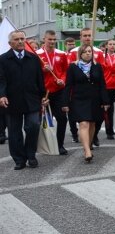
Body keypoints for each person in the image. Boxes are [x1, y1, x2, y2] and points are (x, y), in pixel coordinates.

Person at [0, 30, 47, 170]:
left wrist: (43, 96)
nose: (20, 41)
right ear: (10, 43)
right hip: (12, 100)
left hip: (32, 99)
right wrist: (2, 95)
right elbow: (1, 80)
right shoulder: (3, 59)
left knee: (33, 126)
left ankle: (30, 155)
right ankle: (19, 159)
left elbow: (40, 79)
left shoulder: (33, 58)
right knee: (14, 131)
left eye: (22, 39)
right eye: (17, 39)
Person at [63, 45, 109, 163]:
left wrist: (105, 101)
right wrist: (65, 102)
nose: (88, 53)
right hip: (79, 99)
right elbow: (68, 85)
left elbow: (102, 84)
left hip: (95, 99)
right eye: (85, 52)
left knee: (92, 123)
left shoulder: (97, 66)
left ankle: (88, 144)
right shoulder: (73, 67)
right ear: (80, 54)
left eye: (90, 51)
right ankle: (87, 150)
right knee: (83, 123)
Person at [68, 28, 105, 148]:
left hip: (94, 91)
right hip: (79, 92)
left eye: (89, 35)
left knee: (94, 121)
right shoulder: (73, 52)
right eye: (85, 36)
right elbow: (69, 71)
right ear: (80, 37)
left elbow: (102, 70)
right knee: (83, 122)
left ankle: (93, 136)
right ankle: (79, 136)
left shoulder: (98, 52)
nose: (87, 38)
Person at [37, 30, 70, 155]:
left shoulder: (61, 54)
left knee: (62, 119)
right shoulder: (37, 55)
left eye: (53, 39)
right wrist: (42, 69)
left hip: (58, 91)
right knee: (42, 120)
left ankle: (59, 144)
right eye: (49, 39)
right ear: (44, 39)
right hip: (43, 92)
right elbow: (34, 74)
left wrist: (63, 79)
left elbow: (66, 71)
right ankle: (43, 144)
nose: (52, 42)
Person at [102, 40, 115, 140]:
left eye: (114, 44)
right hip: (107, 86)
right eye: (110, 44)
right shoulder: (102, 57)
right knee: (108, 110)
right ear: (106, 46)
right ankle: (109, 131)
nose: (112, 46)